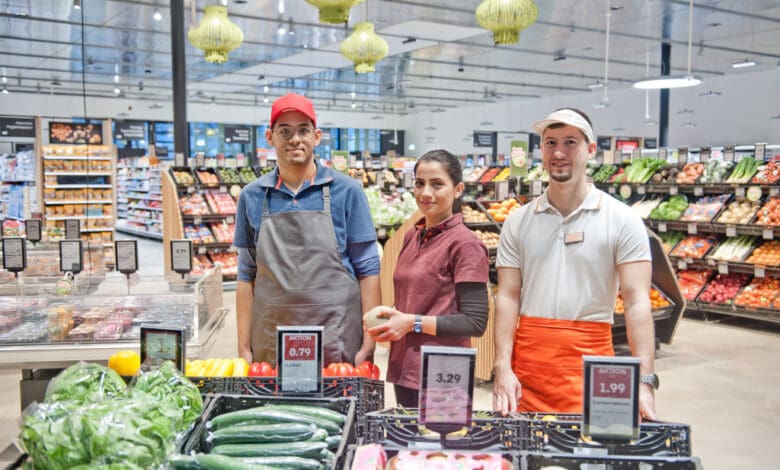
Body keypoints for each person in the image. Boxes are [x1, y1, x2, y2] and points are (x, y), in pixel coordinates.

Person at [492, 108, 657, 419]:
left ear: (591, 149)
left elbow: (637, 302)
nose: (558, 152)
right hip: (528, 369)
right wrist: (502, 366)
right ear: (540, 150)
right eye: (550, 142)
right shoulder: (517, 222)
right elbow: (507, 295)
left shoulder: (623, 220)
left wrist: (644, 381)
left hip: (595, 366)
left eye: (570, 142)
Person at [233, 93, 381, 367]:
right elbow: (246, 275)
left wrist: (370, 343)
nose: (294, 139)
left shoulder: (347, 191)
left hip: (336, 335)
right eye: (284, 131)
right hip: (271, 336)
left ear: (317, 136)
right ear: (269, 137)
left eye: (303, 130)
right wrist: (243, 348)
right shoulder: (252, 196)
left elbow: (368, 268)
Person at [364, 149, 490, 407]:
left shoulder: (465, 244)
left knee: (437, 446)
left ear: (458, 189)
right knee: (408, 443)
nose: (425, 193)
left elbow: (474, 322)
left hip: (443, 371)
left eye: (437, 184)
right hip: (406, 366)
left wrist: (412, 323)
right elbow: (418, 297)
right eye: (419, 183)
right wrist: (393, 317)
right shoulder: (413, 235)